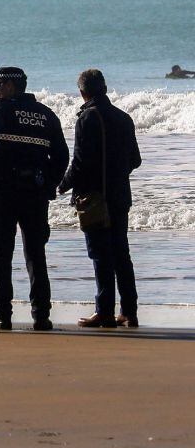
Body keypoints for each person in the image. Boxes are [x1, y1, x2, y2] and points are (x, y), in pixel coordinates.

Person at [0, 67, 69, 331]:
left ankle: (2, 314)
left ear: (10, 86)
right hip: (35, 192)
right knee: (36, 254)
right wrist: (50, 185)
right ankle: (41, 315)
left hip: (4, 190)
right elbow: (62, 156)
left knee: (1, 254)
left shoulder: (2, 109)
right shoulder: (46, 115)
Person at [58, 69, 142, 328]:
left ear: (82, 92)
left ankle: (104, 311)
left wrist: (61, 186)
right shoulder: (124, 117)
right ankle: (129, 311)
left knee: (100, 255)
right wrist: (116, 174)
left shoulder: (87, 117)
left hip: (94, 198)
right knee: (121, 254)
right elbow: (135, 160)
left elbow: (80, 162)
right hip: (120, 195)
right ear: (104, 87)